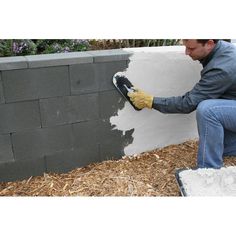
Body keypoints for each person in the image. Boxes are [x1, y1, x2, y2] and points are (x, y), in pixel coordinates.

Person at [128, 39, 236, 169]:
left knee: (208, 110)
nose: (186, 52)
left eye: (191, 48)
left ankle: (208, 170)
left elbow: (188, 103)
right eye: (185, 47)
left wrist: (151, 101)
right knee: (220, 147)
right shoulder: (221, 51)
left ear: (209, 44)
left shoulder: (222, 68)